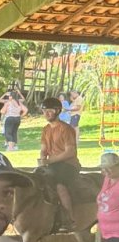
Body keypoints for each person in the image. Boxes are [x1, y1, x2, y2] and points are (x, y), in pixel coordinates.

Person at [39, 96, 81, 231]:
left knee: (59, 185)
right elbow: (43, 149)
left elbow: (70, 152)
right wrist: (42, 160)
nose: (46, 114)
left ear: (57, 111)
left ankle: (70, 219)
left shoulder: (66, 129)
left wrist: (49, 160)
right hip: (52, 164)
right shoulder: (46, 129)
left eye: (49, 111)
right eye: (44, 111)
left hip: (68, 164)